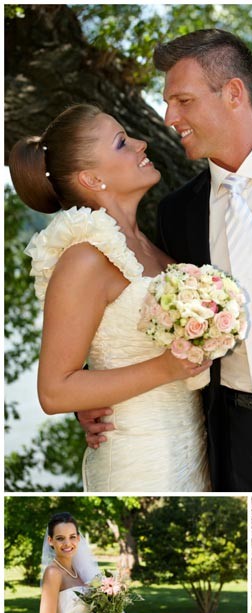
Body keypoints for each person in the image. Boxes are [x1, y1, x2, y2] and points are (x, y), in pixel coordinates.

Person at [80, 29, 252, 492]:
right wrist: (91, 398)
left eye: (183, 100)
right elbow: (151, 315)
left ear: (233, 93)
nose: (169, 117)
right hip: (236, 443)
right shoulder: (177, 213)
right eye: (168, 103)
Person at [9, 105, 211, 493]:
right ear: (92, 178)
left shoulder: (152, 245)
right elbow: (54, 392)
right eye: (122, 142)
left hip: (191, 450)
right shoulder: (85, 257)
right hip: (137, 461)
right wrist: (168, 368)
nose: (141, 143)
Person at [39, 510, 121, 613]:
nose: (67, 543)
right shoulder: (53, 573)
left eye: (72, 537)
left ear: (78, 538)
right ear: (50, 541)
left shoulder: (80, 572)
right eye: (60, 538)